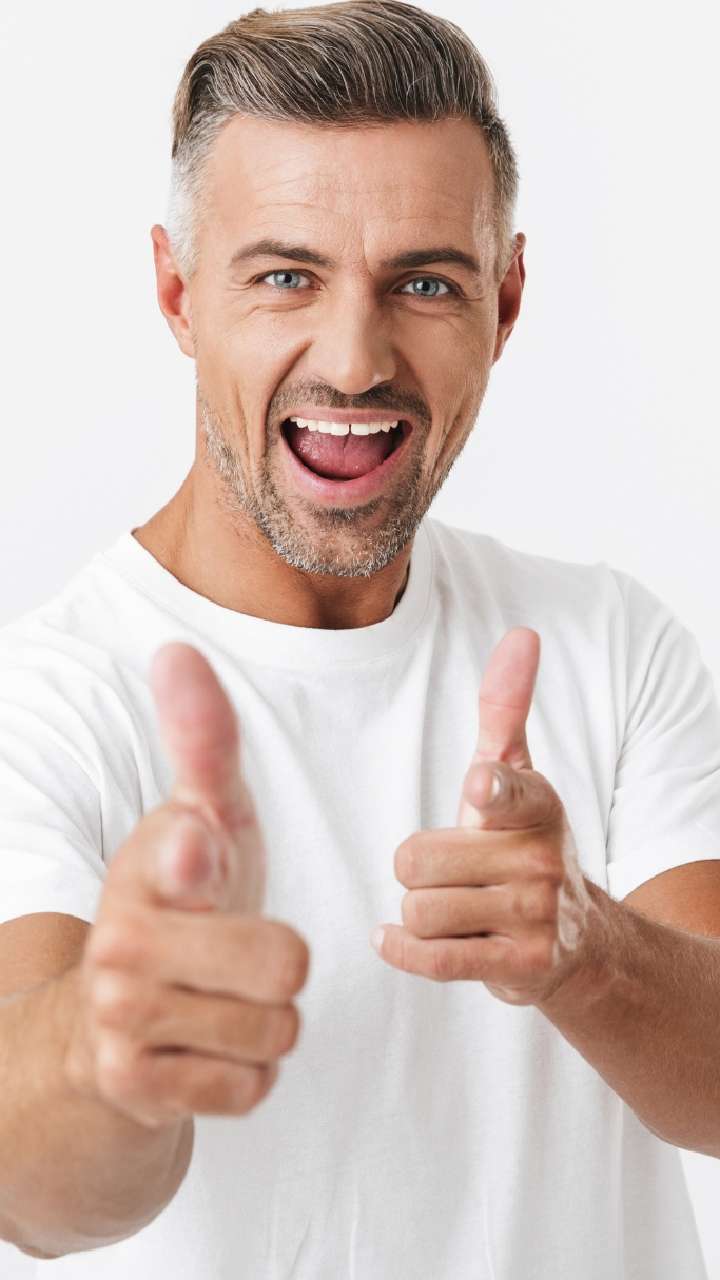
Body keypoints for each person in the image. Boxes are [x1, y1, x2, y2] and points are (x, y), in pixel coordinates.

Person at [0, 2, 719, 1276]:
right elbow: (33, 1190)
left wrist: (588, 953)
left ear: (505, 302)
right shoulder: (46, 701)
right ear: (177, 292)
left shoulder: (608, 642)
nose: (353, 358)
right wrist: (112, 1045)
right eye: (286, 275)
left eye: (424, 283)